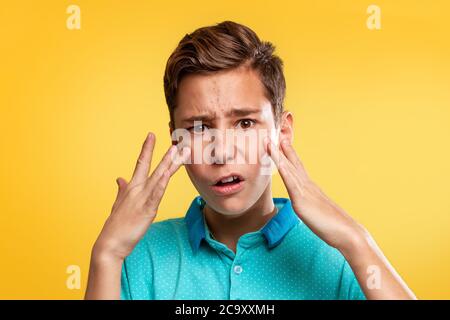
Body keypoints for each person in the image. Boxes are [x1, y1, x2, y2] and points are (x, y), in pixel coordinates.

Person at [85, 21, 416, 300]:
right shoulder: (139, 257)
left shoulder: (340, 258)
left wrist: (357, 241)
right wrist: (107, 255)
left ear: (282, 131)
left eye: (244, 123)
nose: (222, 152)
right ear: (177, 140)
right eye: (199, 128)